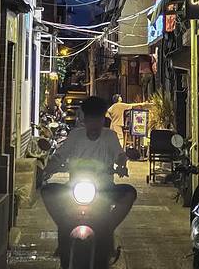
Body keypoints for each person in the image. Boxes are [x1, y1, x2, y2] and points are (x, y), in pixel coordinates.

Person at [42, 96, 137, 239]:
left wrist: (122, 164)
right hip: (74, 187)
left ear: (103, 120)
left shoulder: (110, 136)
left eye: (97, 121)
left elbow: (120, 155)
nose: (94, 125)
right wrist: (49, 167)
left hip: (105, 188)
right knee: (47, 191)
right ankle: (63, 225)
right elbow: (60, 155)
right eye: (90, 120)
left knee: (130, 193)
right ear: (84, 120)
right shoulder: (75, 136)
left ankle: (108, 228)